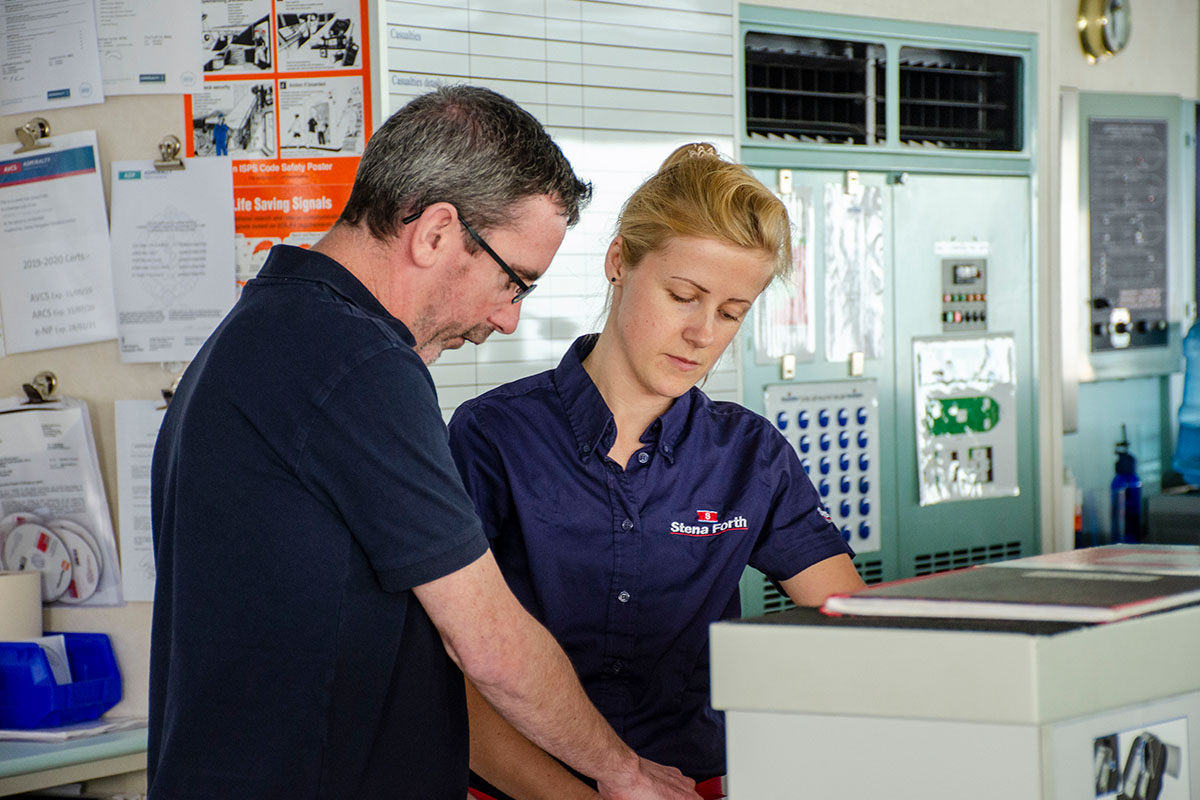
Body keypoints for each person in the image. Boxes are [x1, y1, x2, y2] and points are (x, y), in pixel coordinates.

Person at [148, 86, 701, 800]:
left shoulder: (264, 332)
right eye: (515, 283)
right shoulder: (358, 362)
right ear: (437, 231)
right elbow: (489, 642)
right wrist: (622, 772)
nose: (508, 320)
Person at [448, 143, 868, 800]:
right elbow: (446, 681)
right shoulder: (494, 436)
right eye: (683, 296)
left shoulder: (749, 455)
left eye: (732, 312)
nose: (704, 333)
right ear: (619, 262)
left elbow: (856, 628)